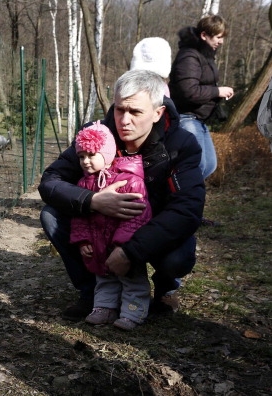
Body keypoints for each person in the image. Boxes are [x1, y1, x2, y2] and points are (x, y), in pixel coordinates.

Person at [39, 70, 205, 320]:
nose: (124, 120)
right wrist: (92, 201)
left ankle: (166, 287)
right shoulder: (95, 136)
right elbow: (51, 181)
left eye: (135, 112)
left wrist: (132, 251)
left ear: (157, 113)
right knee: (51, 216)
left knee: (178, 257)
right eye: (119, 109)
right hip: (100, 225)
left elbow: (187, 209)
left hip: (151, 225)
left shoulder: (181, 145)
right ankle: (92, 292)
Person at [70, 121, 152, 331]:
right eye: (81, 156)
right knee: (104, 278)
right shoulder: (84, 184)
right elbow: (80, 217)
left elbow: (137, 215)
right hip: (98, 244)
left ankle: (133, 312)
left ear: (107, 154)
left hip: (123, 247)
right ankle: (105, 308)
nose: (86, 161)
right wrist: (83, 240)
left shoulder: (130, 181)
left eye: (91, 155)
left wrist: (122, 244)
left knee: (132, 280)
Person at [169, 14, 234, 181]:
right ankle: (176, 197)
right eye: (218, 37)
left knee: (209, 165)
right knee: (197, 167)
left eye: (222, 37)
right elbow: (188, 91)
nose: (221, 42)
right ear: (204, 35)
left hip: (199, 119)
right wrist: (217, 91)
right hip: (186, 118)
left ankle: (181, 194)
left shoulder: (205, 56)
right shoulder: (189, 56)